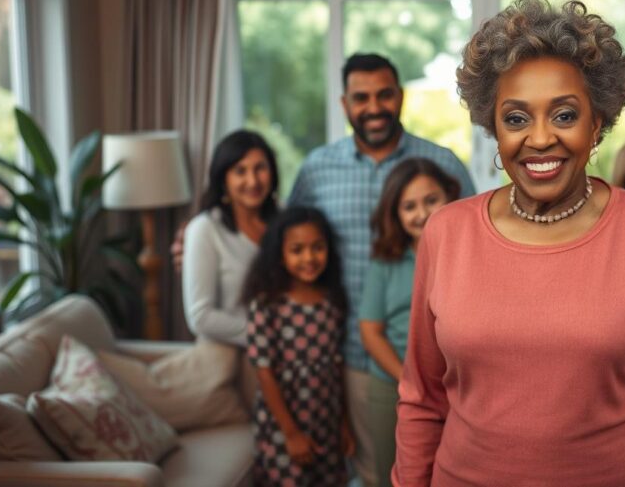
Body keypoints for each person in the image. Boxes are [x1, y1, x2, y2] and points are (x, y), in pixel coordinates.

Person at [393, 0, 625, 486]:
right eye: (517, 118)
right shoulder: (446, 233)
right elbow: (422, 399)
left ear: (597, 124)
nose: (540, 138)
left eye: (564, 115)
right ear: (494, 129)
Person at [287, 53, 474, 487]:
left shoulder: (442, 165)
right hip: (352, 354)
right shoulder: (317, 169)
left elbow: (478, 244)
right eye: (361, 98)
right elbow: (287, 242)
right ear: (344, 104)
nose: (374, 107)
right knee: (375, 470)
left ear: (400, 97)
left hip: (448, 363)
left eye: (384, 95)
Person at [359, 158, 462, 487]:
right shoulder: (385, 260)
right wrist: (411, 379)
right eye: (409, 206)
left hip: (457, 387)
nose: (422, 214)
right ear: (395, 213)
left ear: (449, 196)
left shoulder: (466, 252)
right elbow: (370, 331)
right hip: (392, 387)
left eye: (431, 200)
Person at [243, 206, 355, 486]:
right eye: (297, 250)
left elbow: (336, 366)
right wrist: (291, 434)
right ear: (280, 255)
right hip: (283, 425)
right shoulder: (267, 304)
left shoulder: (332, 299)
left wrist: (344, 424)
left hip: (325, 421)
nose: (309, 258)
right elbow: (264, 371)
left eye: (317, 248)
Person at [182, 130, 279, 347]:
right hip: (230, 357)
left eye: (260, 168)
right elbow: (200, 317)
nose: (252, 181)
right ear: (223, 179)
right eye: (240, 171)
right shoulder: (205, 229)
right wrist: (271, 336)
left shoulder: (284, 223)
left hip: (290, 358)